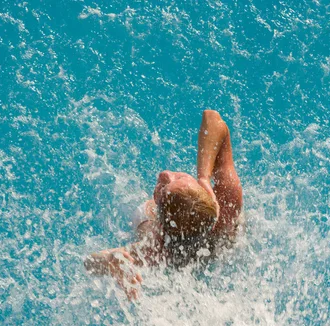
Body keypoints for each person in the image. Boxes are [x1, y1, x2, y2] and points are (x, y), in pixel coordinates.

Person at [84, 109, 243, 299]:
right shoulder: (228, 203)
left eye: (168, 185)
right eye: (179, 178)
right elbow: (213, 118)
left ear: (160, 221)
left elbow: (88, 263)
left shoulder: (154, 246)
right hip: (216, 242)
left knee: (144, 224)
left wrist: (112, 259)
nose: (165, 174)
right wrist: (204, 177)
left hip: (160, 237)